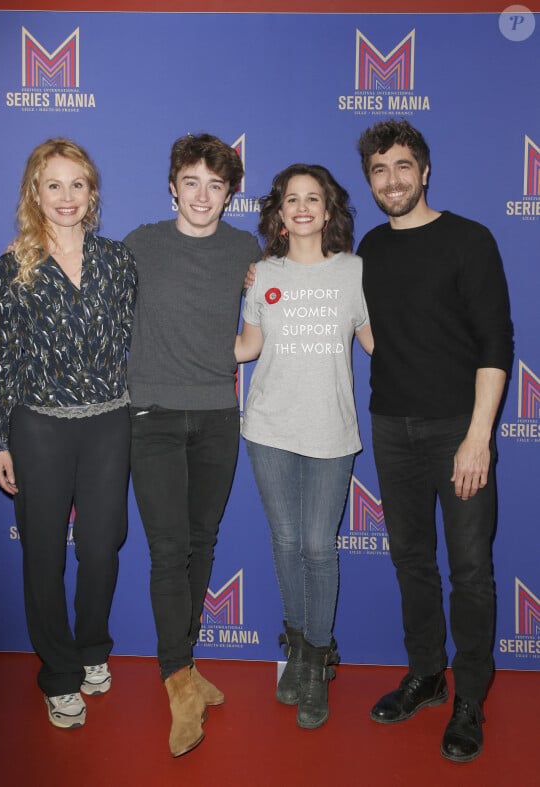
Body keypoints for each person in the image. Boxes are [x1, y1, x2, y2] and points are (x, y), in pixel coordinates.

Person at [356, 119, 513, 762]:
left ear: (424, 171)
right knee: (411, 560)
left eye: (402, 166)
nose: (391, 180)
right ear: (370, 181)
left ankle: (470, 697)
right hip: (392, 427)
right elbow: (363, 325)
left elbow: (495, 344)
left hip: (458, 428)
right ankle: (426, 674)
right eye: (378, 170)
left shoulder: (469, 240)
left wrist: (478, 438)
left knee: (471, 572)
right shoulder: (368, 246)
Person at [0, 138, 137, 729]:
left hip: (108, 422)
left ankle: (93, 645)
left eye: (77, 184)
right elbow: (4, 360)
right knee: (44, 554)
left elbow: (153, 323)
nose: (66, 196)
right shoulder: (13, 266)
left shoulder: (118, 260)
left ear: (91, 192)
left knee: (102, 546)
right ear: (35, 192)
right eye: (54, 184)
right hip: (38, 427)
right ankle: (57, 672)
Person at [124, 133, 261, 757]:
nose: (203, 195)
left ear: (230, 193)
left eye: (216, 184)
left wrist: (224, 354)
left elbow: (255, 335)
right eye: (191, 182)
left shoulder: (244, 250)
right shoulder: (139, 245)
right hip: (150, 416)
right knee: (167, 548)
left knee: (202, 543)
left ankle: (185, 664)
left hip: (216, 418)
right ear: (172, 186)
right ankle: (177, 680)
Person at [235, 164, 373, 730]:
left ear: (328, 209)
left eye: (313, 198)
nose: (302, 207)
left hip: (331, 432)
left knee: (319, 546)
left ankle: (317, 659)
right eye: (292, 199)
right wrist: (179, 341)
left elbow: (378, 342)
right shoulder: (262, 273)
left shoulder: (356, 272)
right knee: (287, 541)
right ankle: (296, 648)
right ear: (280, 211)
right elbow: (246, 348)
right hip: (268, 428)